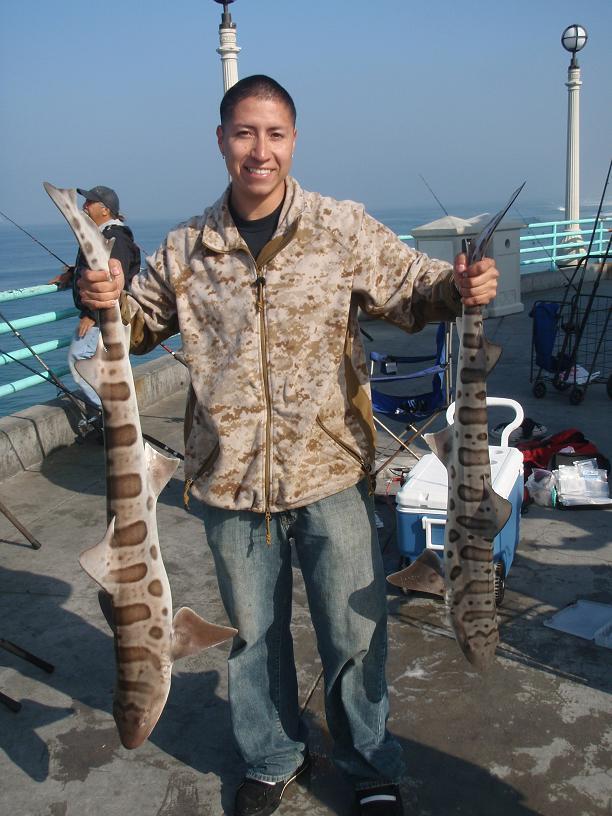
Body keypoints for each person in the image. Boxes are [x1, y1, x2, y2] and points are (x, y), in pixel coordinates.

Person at [78, 75, 500, 816]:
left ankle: (369, 764)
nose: (259, 151)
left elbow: (417, 290)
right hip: (229, 481)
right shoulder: (186, 247)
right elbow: (137, 323)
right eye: (244, 133)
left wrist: (465, 283)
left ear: (293, 140)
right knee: (252, 638)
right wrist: (102, 296)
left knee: (355, 631)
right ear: (221, 142)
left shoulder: (340, 227)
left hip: (332, 471)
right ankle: (272, 755)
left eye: (274, 134)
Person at [49, 185, 141, 411]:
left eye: (90, 202)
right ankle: (109, 415)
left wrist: (91, 315)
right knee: (102, 367)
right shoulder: (104, 235)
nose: (85, 206)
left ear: (105, 210)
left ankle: (109, 415)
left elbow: (112, 280)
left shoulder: (114, 238)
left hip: (102, 316)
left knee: (78, 360)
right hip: (103, 315)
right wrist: (72, 274)